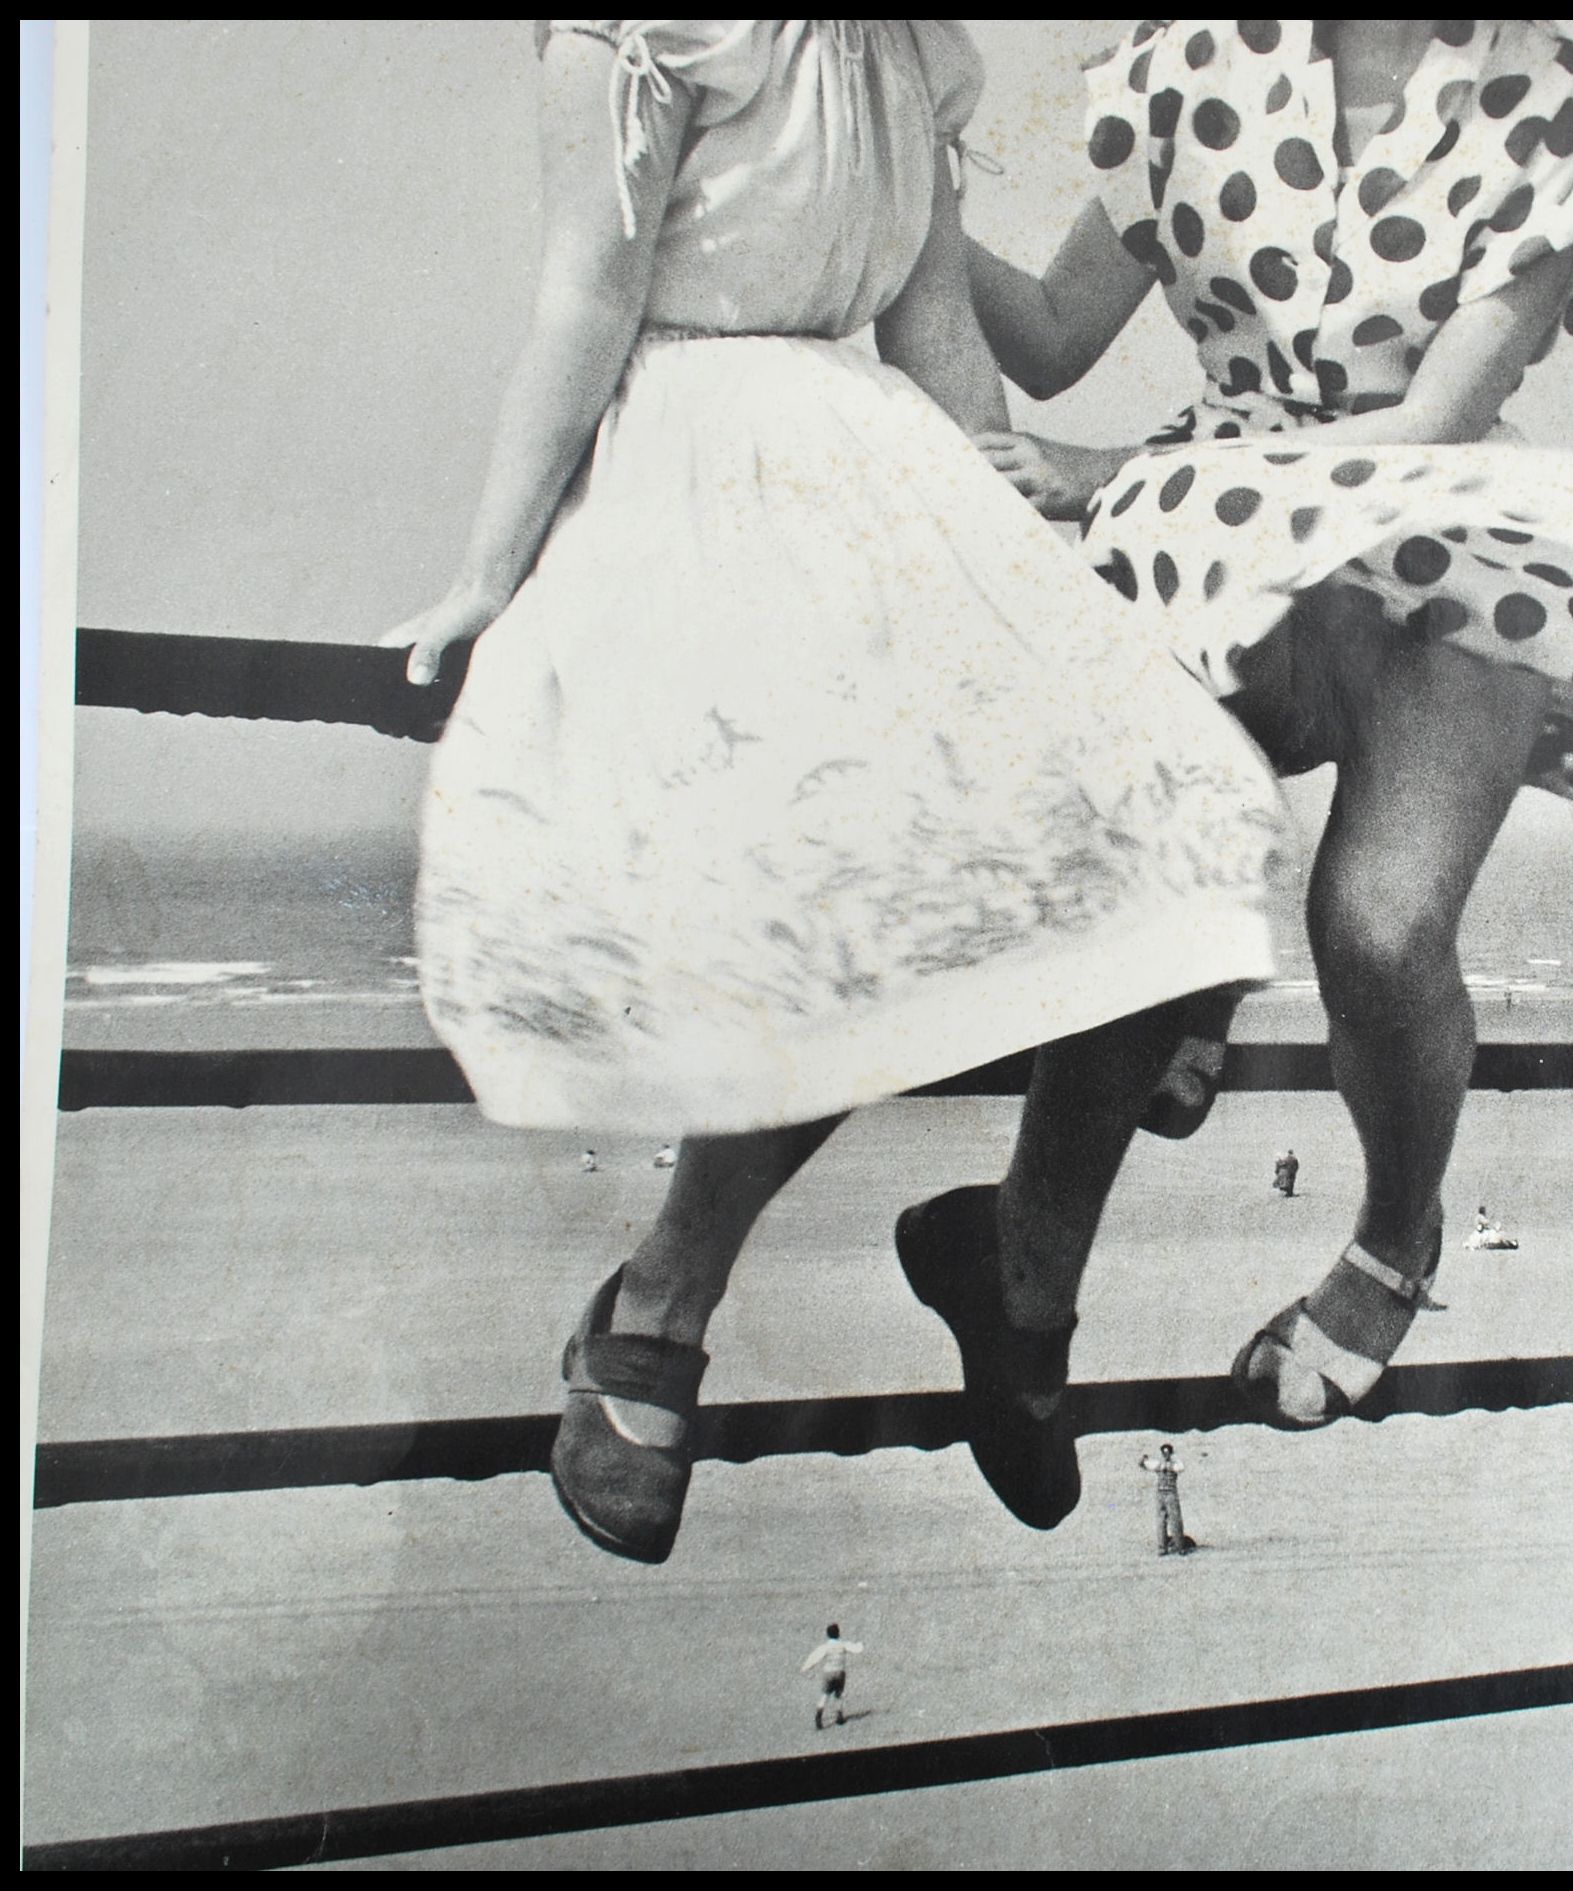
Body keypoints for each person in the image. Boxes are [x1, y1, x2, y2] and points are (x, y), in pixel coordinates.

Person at [383, 22, 1290, 1563]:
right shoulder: (636, 36)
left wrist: (1027, 563)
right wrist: (485, 570)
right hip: (695, 470)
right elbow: (585, 297)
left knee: (1188, 797)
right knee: (857, 853)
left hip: (881, 476)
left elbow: (933, 324)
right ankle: (662, 1296)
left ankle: (1017, 1267)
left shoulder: (898, 51)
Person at [966, 20, 1573, 1430]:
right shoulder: (1187, 60)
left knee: (1377, 926)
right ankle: (1054, 1235)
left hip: (1441, 550)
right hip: (1218, 540)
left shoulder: (1544, 98)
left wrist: (1109, 472)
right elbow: (1051, 339)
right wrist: (908, 202)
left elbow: (1419, 428)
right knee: (1140, 852)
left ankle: (1392, 1235)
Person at [800, 1622, 866, 1729]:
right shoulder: (843, 1644)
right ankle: (839, 1716)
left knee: (825, 1694)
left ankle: (819, 1716)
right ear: (838, 1633)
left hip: (828, 1673)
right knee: (838, 1694)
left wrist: (805, 1667)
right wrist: (861, 1644)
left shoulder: (825, 1647)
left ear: (828, 1635)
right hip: (840, 1672)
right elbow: (856, 1649)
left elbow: (815, 1657)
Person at [1139, 1442, 1191, 1555]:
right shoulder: (1172, 1465)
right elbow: (1181, 1467)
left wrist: (1144, 1460)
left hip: (1162, 1494)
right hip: (1170, 1494)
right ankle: (1179, 1547)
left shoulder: (1159, 1464)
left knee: (1163, 1520)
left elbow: (1145, 1465)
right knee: (1173, 1520)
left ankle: (1163, 1548)